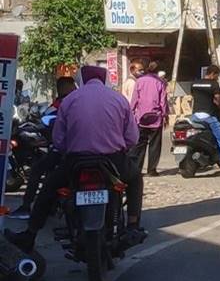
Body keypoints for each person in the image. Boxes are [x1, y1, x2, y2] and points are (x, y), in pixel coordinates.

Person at [6, 66, 145, 252]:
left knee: (48, 188)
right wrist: (119, 147)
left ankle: (30, 235)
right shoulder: (118, 99)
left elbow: (59, 139)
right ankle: (133, 226)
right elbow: (132, 138)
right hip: (112, 159)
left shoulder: (70, 100)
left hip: (76, 159)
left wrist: (68, 150)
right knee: (135, 179)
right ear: (105, 80)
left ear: (80, 80)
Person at [8, 76, 77, 220]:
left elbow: (55, 127)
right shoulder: (79, 101)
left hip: (67, 152)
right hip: (94, 152)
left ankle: (29, 211)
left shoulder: (65, 103)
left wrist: (56, 145)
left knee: (38, 171)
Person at [191, 65, 220, 177]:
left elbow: (195, 98)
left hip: (195, 116)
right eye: (217, 75)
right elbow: (217, 100)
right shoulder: (213, 84)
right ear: (213, 73)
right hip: (208, 116)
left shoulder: (195, 83)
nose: (217, 78)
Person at [130, 61, 169, 176]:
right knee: (155, 145)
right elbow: (163, 102)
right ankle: (151, 170)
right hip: (156, 118)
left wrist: (131, 113)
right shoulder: (160, 82)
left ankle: (137, 169)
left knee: (140, 145)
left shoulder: (139, 81)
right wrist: (165, 115)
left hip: (141, 118)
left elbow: (134, 100)